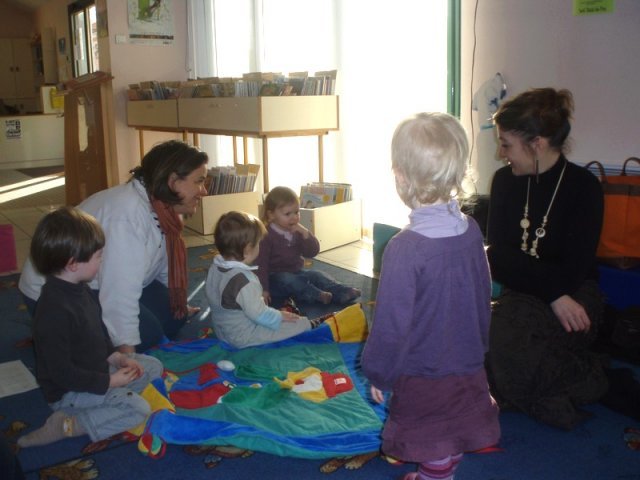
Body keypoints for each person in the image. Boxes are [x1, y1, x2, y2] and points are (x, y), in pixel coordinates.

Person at [361, 112, 500, 480]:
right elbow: (482, 292)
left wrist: (379, 372)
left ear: (401, 178)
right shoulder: (471, 229)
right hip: (467, 359)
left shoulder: (404, 248)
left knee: (432, 434)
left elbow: (391, 324)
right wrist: (480, 346)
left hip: (425, 369)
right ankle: (442, 467)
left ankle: (435, 474)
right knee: (454, 425)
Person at [485, 87, 609, 430]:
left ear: (537, 144)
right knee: (495, 337)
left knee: (500, 346)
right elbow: (498, 257)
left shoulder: (584, 188)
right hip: (530, 299)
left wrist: (556, 293)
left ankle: (575, 380)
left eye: (507, 144)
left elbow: (574, 270)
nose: (501, 153)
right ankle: (579, 383)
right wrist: (552, 293)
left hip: (577, 301)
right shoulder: (504, 182)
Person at [19, 140, 208, 353]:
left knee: (174, 318)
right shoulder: (126, 216)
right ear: (173, 181)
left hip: (101, 281)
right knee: (148, 336)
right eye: (199, 181)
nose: (204, 191)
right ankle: (54, 330)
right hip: (61, 289)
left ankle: (77, 333)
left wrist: (176, 302)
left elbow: (163, 258)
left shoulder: (161, 205)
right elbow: (118, 291)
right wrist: (127, 350)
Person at [17, 207, 163, 448]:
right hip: (69, 392)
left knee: (152, 366)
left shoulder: (80, 288)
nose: (101, 260)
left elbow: (97, 334)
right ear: (73, 264)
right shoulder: (53, 311)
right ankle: (66, 425)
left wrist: (116, 358)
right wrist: (109, 382)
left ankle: (110, 400)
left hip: (97, 369)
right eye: (97, 257)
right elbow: (61, 373)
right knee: (138, 409)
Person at [206, 211, 328, 348]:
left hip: (222, 330)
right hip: (242, 336)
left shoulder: (215, 267)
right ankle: (310, 324)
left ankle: (285, 312)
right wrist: (279, 316)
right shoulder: (245, 281)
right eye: (258, 243)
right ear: (247, 249)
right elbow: (259, 314)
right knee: (294, 324)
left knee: (270, 313)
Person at [254, 186, 361, 307]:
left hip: (297, 272)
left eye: (296, 212)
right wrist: (263, 289)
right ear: (271, 215)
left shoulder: (296, 231)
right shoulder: (266, 236)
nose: (294, 217)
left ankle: (342, 292)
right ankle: (316, 295)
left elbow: (312, 252)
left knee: (316, 275)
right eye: (287, 214)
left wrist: (305, 234)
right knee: (287, 279)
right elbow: (260, 266)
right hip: (275, 279)